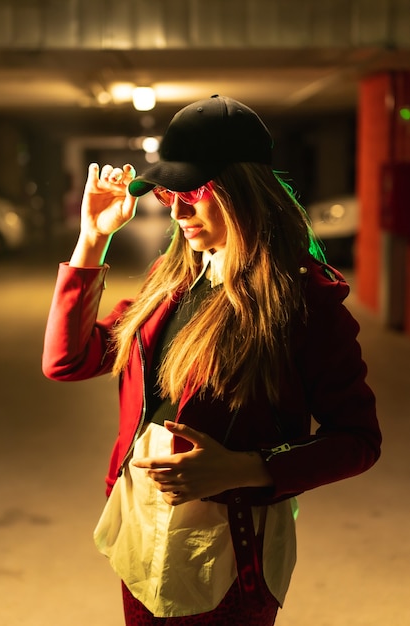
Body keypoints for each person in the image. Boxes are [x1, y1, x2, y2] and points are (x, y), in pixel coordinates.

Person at [42, 95, 381, 626]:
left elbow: (358, 441)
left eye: (194, 193)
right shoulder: (171, 282)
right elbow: (67, 360)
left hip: (228, 552)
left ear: (244, 190)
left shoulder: (302, 302)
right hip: (141, 531)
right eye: (170, 193)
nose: (177, 212)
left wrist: (245, 468)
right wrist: (93, 238)